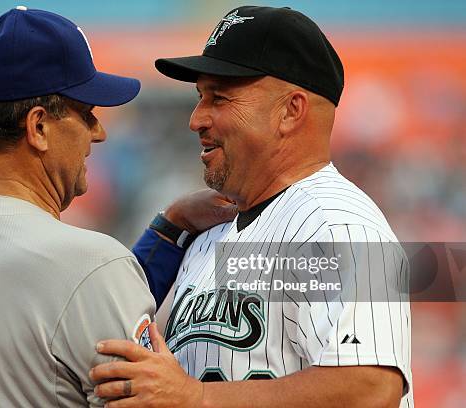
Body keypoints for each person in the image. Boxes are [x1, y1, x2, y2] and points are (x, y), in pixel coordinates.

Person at [90, 6, 413, 407]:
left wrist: (196, 397)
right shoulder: (208, 232)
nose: (196, 119)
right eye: (199, 97)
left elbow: (370, 389)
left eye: (220, 97)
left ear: (290, 111)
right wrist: (170, 227)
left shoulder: (338, 225)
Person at [0, 7, 165, 407]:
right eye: (87, 113)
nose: (99, 131)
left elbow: (51, 299)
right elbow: (76, 284)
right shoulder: (90, 262)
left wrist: (167, 236)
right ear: (38, 127)